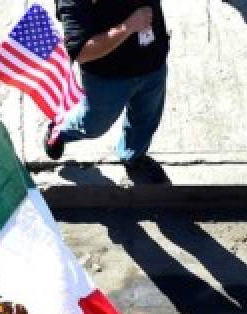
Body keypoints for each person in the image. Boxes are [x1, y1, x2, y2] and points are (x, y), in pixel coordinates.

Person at [45, 1, 171, 183]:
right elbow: (81, 51)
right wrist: (128, 27)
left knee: (146, 120)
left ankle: (133, 156)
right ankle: (59, 130)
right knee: (93, 125)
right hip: (109, 78)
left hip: (153, 64)